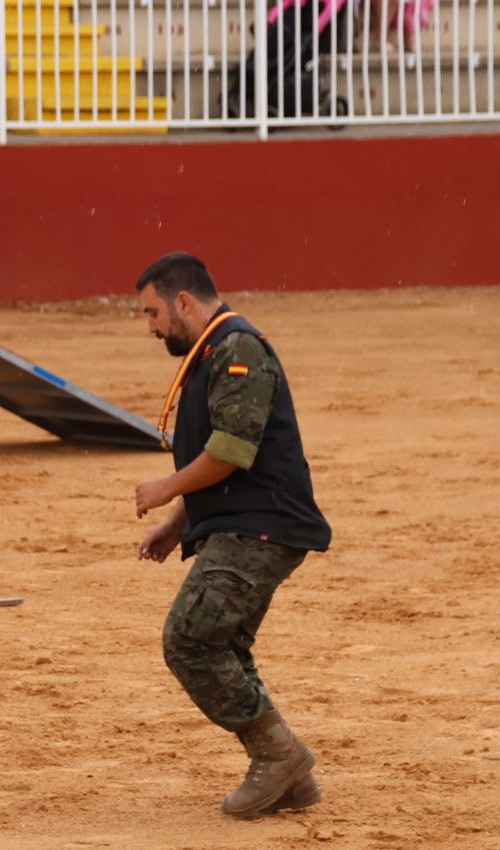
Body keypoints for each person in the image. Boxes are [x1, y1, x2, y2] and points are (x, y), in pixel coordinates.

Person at [132, 252, 332, 818]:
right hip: (244, 523)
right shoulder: (212, 352)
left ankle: (279, 755)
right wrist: (179, 525)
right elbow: (218, 454)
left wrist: (168, 489)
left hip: (262, 526)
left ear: (184, 302)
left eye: (152, 313)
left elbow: (231, 452)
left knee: (191, 640)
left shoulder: (237, 349)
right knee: (220, 644)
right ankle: (288, 776)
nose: (151, 327)